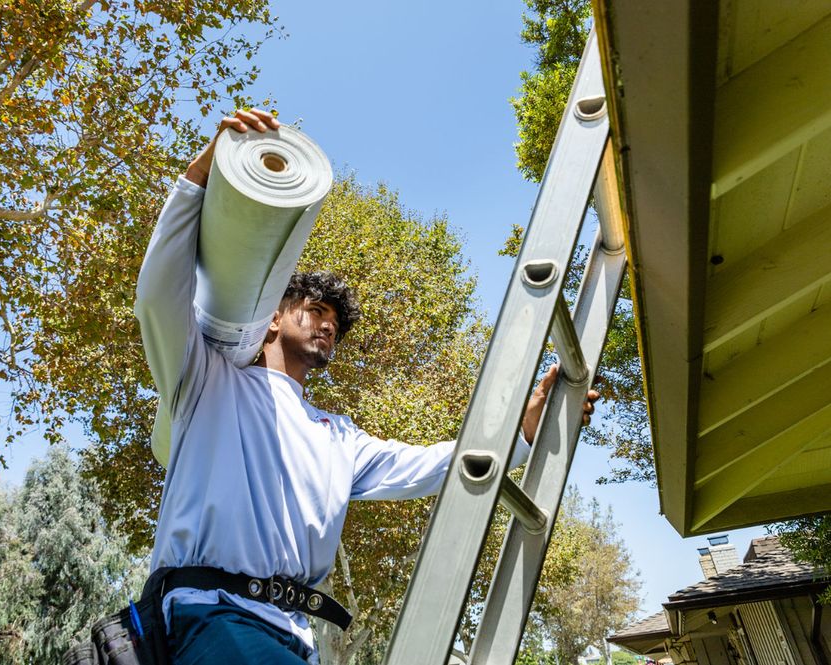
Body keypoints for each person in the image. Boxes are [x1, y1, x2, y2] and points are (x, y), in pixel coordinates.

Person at [134, 108, 599, 665]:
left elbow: (434, 466)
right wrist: (203, 175)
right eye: (314, 309)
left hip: (293, 634)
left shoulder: (339, 438)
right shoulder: (209, 380)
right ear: (272, 319)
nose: (329, 323)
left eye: (336, 319)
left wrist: (523, 431)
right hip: (207, 615)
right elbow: (159, 295)